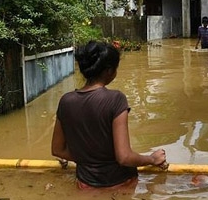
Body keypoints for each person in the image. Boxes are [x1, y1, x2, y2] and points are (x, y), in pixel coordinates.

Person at [51, 41, 167, 189]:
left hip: (84, 186)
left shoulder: (65, 101)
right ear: (109, 71)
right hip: (121, 184)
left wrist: (88, 159)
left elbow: (57, 150)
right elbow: (124, 157)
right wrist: (151, 159)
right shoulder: (116, 99)